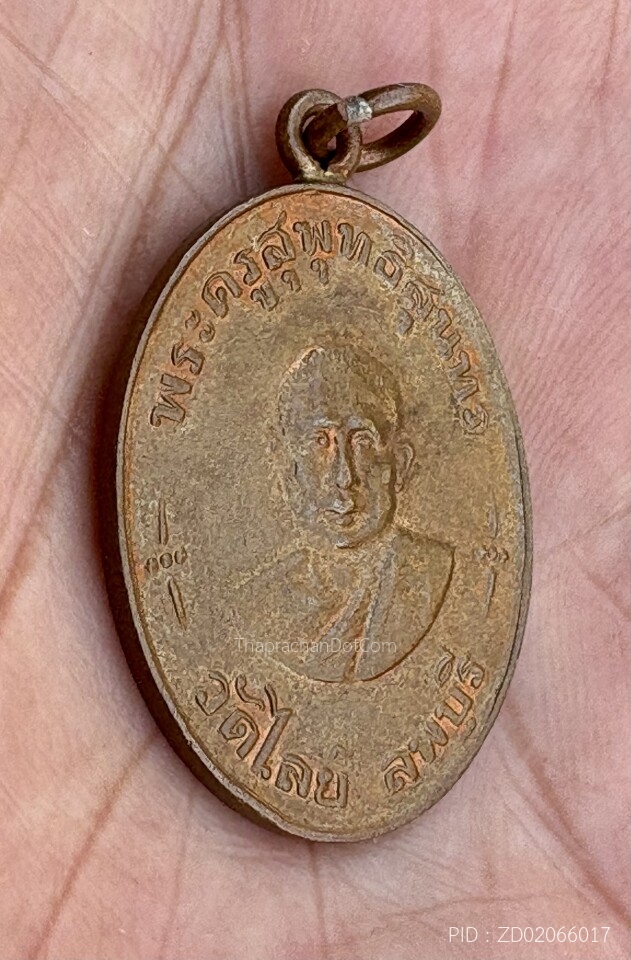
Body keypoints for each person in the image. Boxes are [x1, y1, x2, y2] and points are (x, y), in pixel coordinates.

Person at [232, 344, 453, 681]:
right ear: (287, 467)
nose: (343, 476)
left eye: (362, 442)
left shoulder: (433, 576)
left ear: (400, 463)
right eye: (320, 442)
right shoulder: (258, 606)